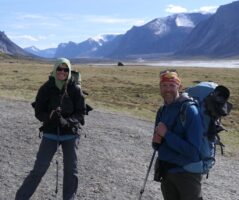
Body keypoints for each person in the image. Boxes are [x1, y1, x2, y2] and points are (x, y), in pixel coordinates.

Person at [15, 58, 86, 200]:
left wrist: (67, 122)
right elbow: (38, 111)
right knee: (39, 168)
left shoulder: (75, 89)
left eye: (65, 69)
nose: (62, 72)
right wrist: (49, 117)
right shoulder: (46, 88)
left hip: (70, 134)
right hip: (50, 133)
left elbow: (80, 112)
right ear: (54, 70)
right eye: (59, 69)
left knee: (71, 171)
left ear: (69, 71)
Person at [152, 69, 204, 200]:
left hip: (187, 175)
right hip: (167, 172)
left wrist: (166, 134)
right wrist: (157, 141)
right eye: (164, 85)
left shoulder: (190, 111)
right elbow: (157, 144)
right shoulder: (162, 110)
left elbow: (193, 152)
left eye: (171, 85)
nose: (167, 89)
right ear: (160, 87)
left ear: (179, 86)